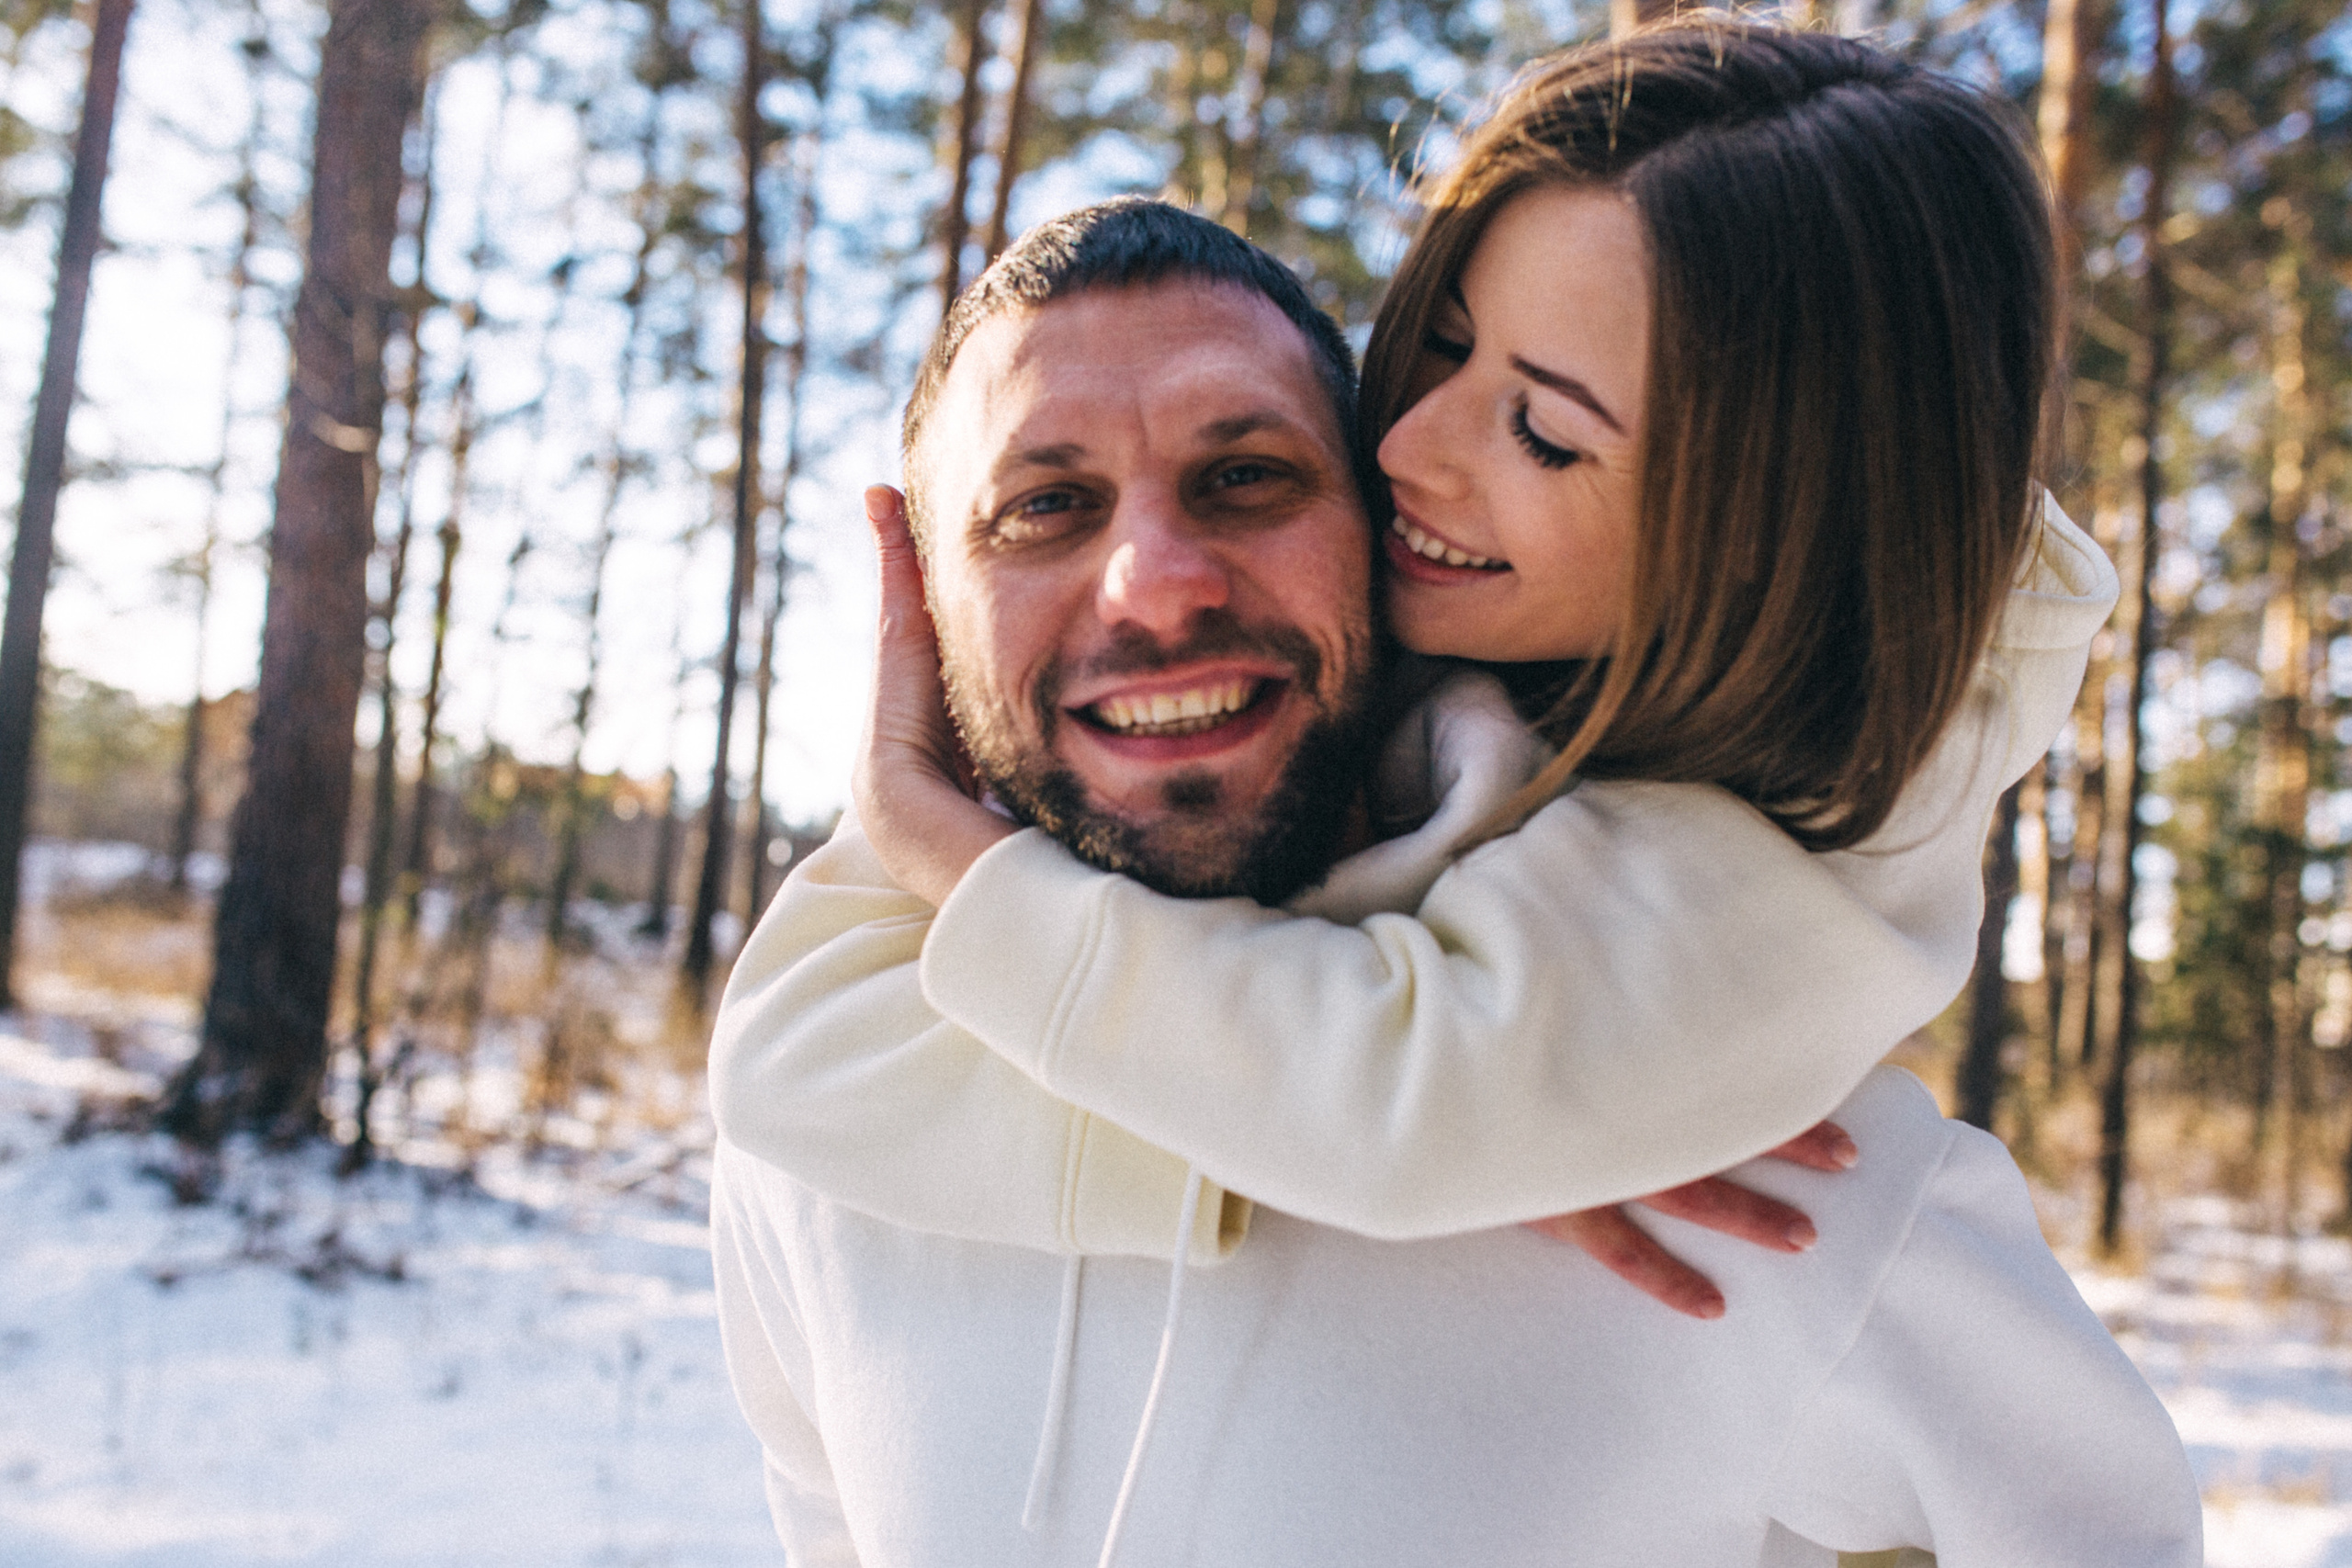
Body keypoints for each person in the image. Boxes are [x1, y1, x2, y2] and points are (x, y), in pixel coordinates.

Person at [706, 197, 2200, 1563]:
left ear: (1394, 537)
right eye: (1045, 506)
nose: (1157, 580)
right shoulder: (820, 1150)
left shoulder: (1713, 1141)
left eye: (1246, 476)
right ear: (920, 599)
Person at [713, 25, 2108, 1306]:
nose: (1403, 448)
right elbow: (796, 1054)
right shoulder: (1468, 662)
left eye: (1545, 433)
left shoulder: (1781, 893)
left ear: (1779, 528)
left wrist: (940, 845)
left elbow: (1405, 1108)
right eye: (1436, 346)